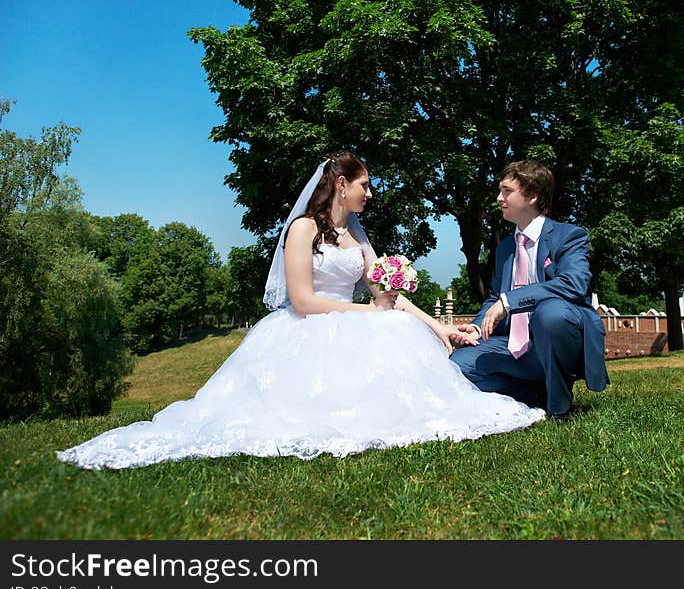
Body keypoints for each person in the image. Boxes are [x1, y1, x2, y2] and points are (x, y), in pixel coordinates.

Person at [57, 152, 544, 469]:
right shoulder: (302, 230)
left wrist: (438, 325)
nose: (370, 193)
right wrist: (374, 316)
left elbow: (386, 289)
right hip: (307, 329)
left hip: (359, 320)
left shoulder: (358, 235)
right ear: (340, 184)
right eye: (365, 185)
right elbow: (305, 302)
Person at [450, 160, 609, 418]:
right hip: (514, 345)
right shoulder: (504, 248)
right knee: (458, 366)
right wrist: (478, 326)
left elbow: (574, 284)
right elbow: (494, 296)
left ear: (532, 196)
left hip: (558, 341)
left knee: (551, 313)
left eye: (506, 191)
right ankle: (534, 393)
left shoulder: (569, 236)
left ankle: (560, 408)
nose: (499, 198)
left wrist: (511, 300)